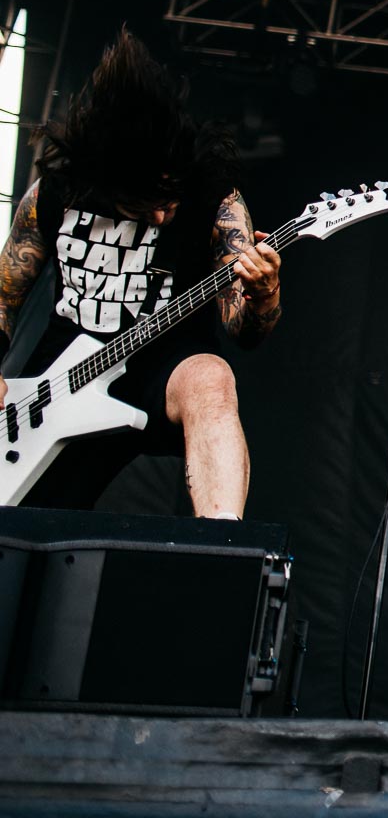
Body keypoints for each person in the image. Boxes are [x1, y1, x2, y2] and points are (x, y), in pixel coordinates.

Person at [2, 30, 282, 516]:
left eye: (169, 198)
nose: (160, 216)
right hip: (59, 382)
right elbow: (4, 294)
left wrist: (264, 293)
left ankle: (221, 546)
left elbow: (244, 330)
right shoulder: (54, 194)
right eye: (145, 203)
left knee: (212, 379)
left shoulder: (216, 200)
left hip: (163, 364)